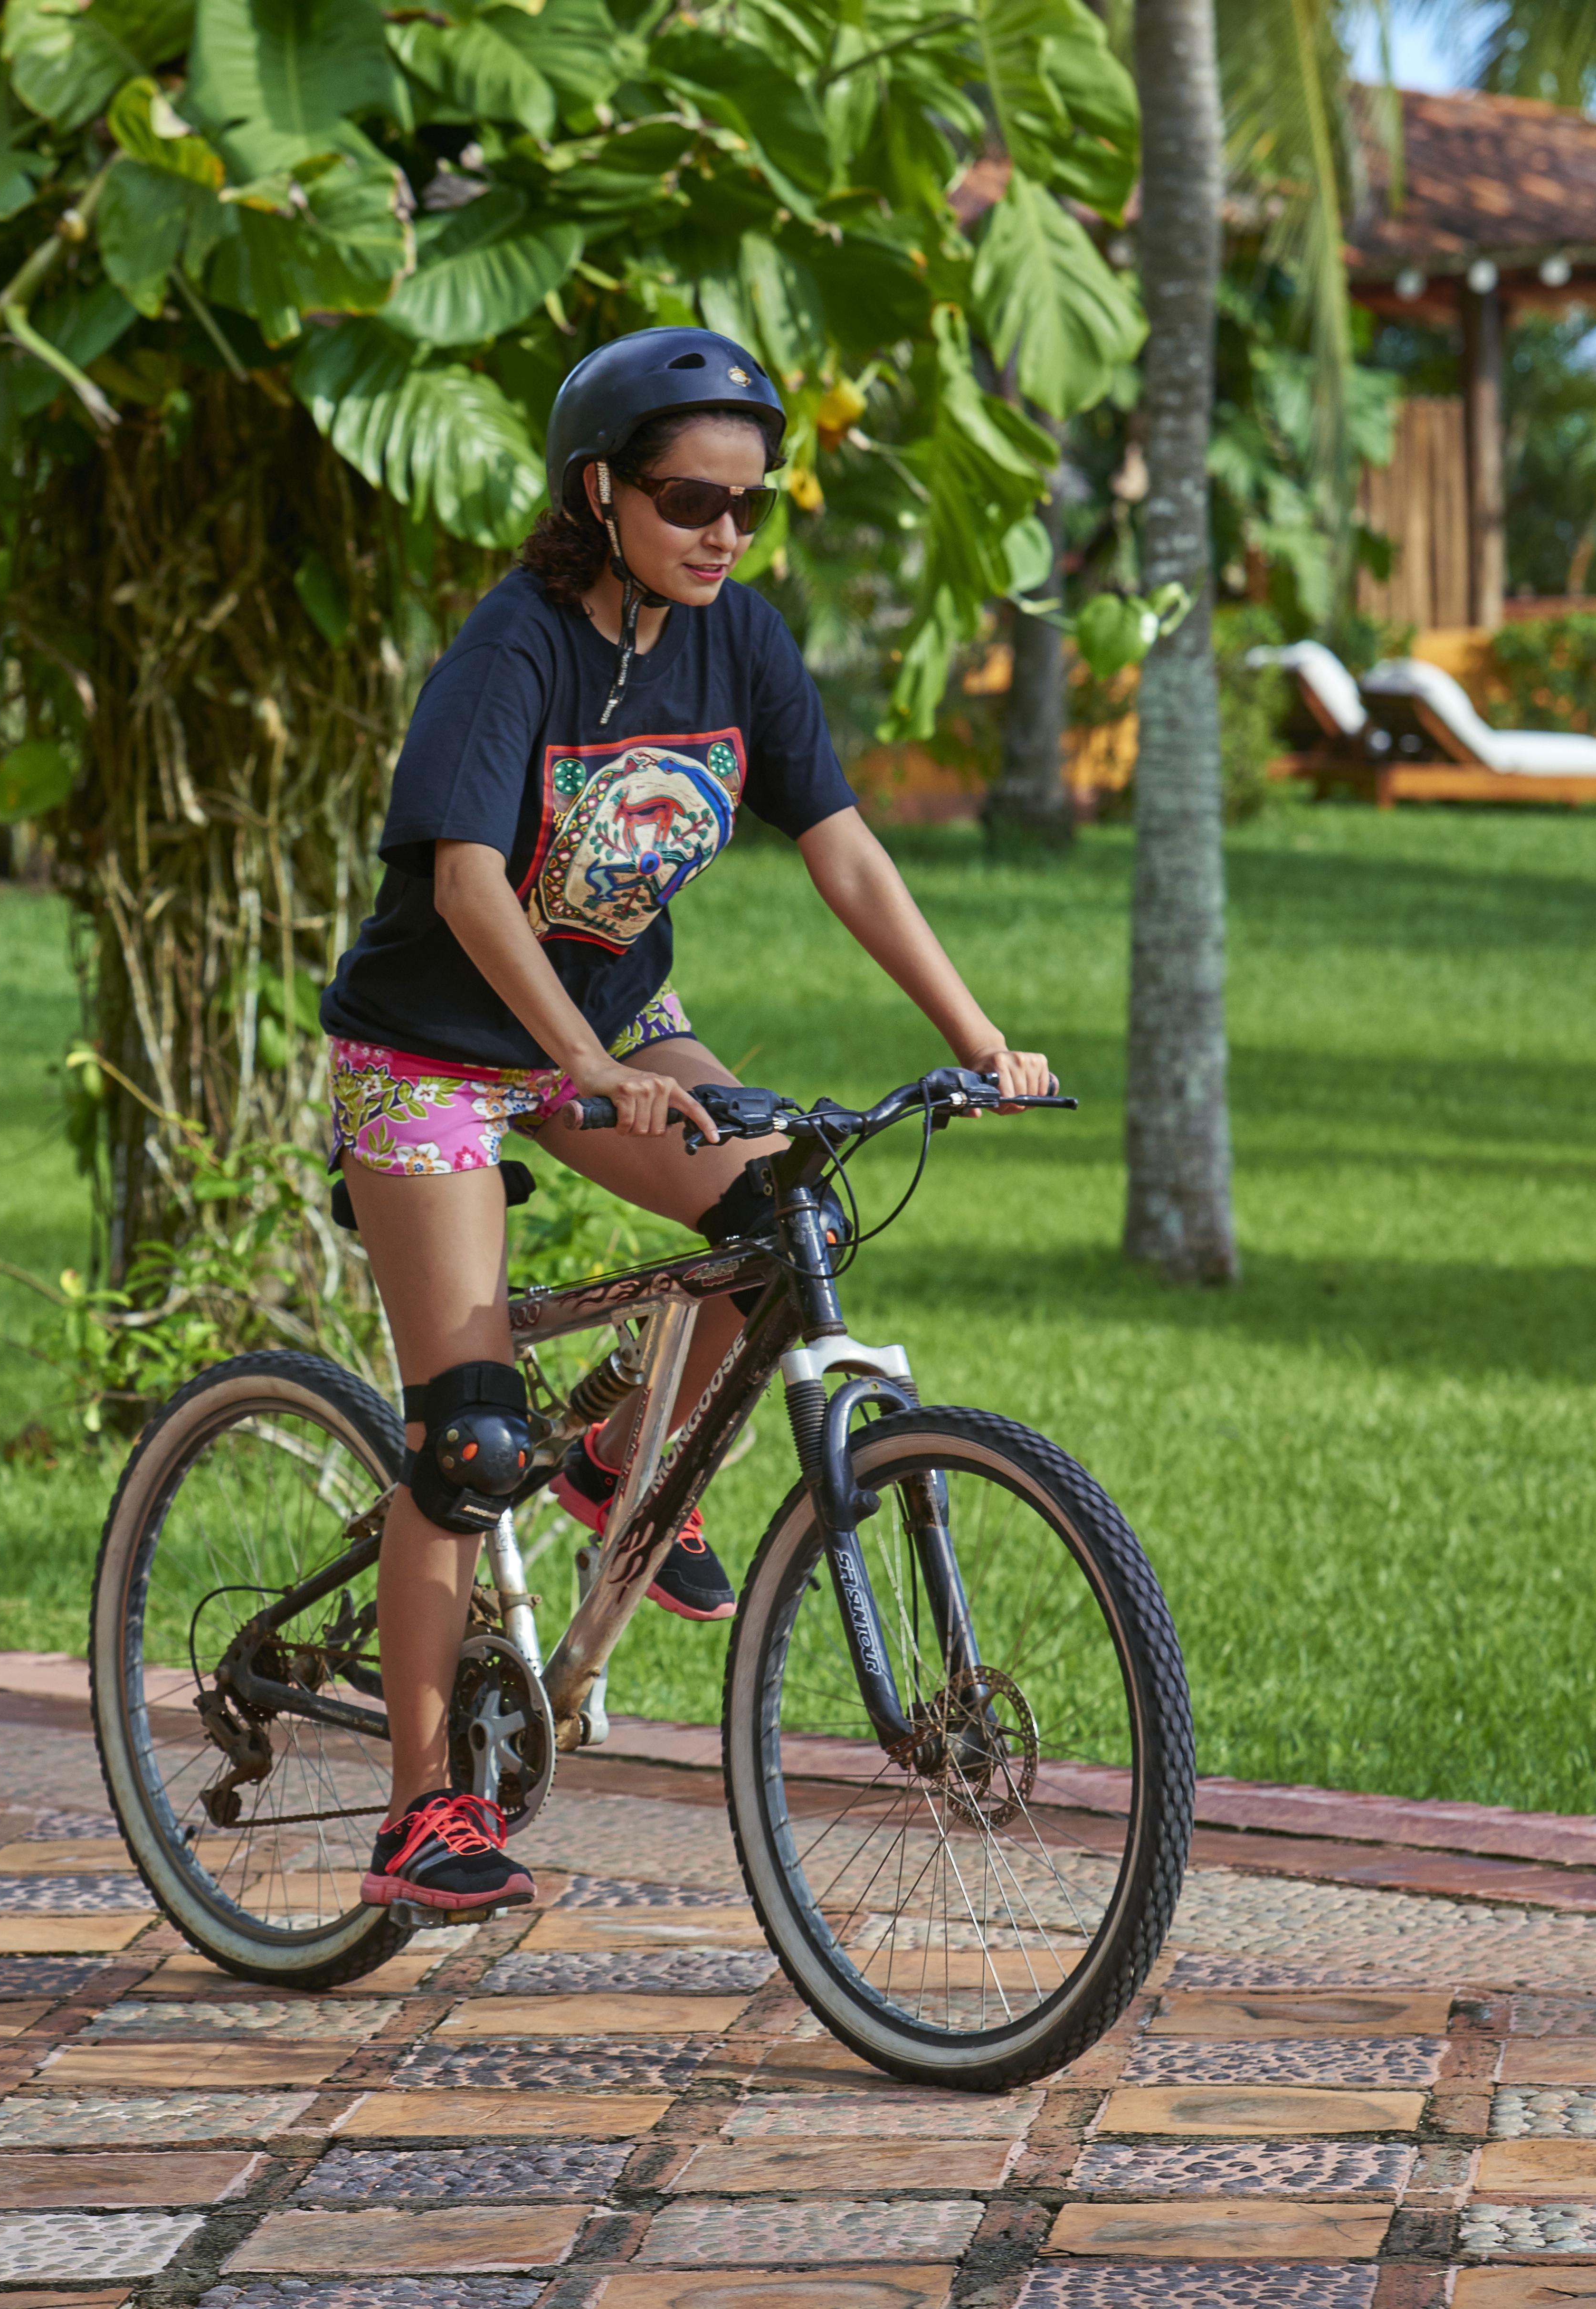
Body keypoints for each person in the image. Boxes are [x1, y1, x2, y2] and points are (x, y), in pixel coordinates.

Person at [321, 327, 1058, 1920]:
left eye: (750, 499)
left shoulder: (741, 645)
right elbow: (460, 881)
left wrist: (981, 1039)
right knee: (462, 1438)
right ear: (600, 491)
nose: (724, 529)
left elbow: (847, 853)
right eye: (686, 497)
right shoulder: (511, 647)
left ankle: (611, 1462)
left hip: (613, 1035)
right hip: (432, 1055)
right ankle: (417, 1812)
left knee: (790, 1212)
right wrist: (584, 1060)